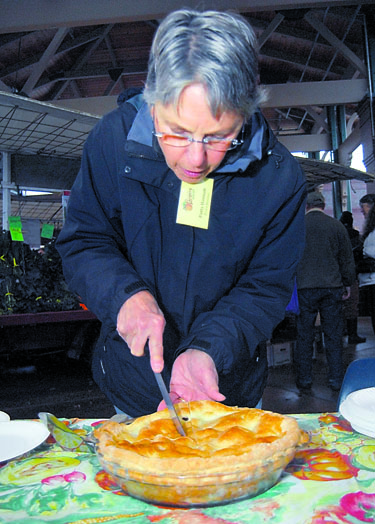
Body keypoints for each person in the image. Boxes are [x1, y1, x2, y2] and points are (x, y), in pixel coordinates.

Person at [56, 8, 306, 417]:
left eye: (217, 136)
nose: (195, 158)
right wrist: (125, 297)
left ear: (245, 114)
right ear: (152, 103)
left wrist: (209, 349)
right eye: (175, 131)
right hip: (135, 385)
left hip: (228, 387)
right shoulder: (111, 141)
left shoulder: (279, 178)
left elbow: (265, 287)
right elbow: (85, 241)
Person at [294, 191, 356, 392]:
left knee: (304, 335)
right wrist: (347, 283)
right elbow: (347, 260)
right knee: (333, 334)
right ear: (323, 204)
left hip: (304, 288)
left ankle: (304, 380)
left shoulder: (297, 227)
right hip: (332, 286)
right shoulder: (336, 226)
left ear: (306, 206)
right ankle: (336, 379)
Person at [339, 211, 366, 344]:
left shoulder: (336, 233)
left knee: (339, 305)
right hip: (351, 273)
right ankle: (352, 334)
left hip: (336, 275)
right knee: (352, 305)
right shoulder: (355, 236)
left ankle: (342, 330)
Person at [357, 194, 375, 334]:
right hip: (369, 280)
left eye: (364, 209)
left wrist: (364, 253)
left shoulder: (371, 232)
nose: (362, 212)